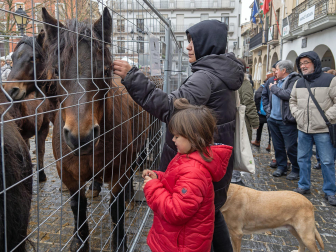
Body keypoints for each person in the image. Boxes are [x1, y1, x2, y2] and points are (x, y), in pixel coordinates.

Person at [113, 20, 244, 251]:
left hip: (195, 162)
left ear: (206, 43)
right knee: (211, 214)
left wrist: (132, 77)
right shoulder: (221, 72)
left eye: (193, 41)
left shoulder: (204, 77)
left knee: (195, 223)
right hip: (210, 158)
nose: (188, 47)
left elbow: (172, 109)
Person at [142, 98, 233, 252]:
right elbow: (175, 181)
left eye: (177, 136)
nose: (173, 139)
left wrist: (153, 187)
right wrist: (158, 177)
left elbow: (176, 211)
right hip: (178, 240)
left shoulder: (195, 172)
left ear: (193, 137)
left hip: (181, 245)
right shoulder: (188, 157)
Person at [290, 51, 336, 206]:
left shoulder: (330, 80)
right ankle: (304, 185)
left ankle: (330, 191)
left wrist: (327, 118)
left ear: (315, 63)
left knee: (327, 161)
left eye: (306, 63)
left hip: (323, 129)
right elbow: (292, 100)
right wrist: (298, 115)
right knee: (302, 158)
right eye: (301, 63)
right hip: (303, 128)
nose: (303, 66)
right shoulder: (299, 82)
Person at [266, 60, 300, 179]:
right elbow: (267, 97)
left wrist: (273, 89)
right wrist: (268, 112)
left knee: (291, 146)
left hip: (286, 120)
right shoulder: (276, 81)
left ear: (284, 70)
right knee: (278, 145)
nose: (275, 72)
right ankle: (282, 167)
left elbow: (288, 95)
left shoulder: (294, 80)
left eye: (277, 69)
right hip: (273, 119)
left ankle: (296, 169)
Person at [231, 58, 259, 186]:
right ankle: (236, 178)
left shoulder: (229, 80)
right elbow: (249, 102)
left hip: (231, 119)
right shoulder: (244, 83)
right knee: (240, 148)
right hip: (241, 122)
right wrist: (255, 122)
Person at [251, 72, 273, 151]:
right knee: (270, 129)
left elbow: (257, 97)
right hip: (270, 111)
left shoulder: (262, 87)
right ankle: (270, 144)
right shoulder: (275, 86)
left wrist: (257, 109)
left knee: (259, 127)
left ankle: (257, 140)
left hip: (261, 112)